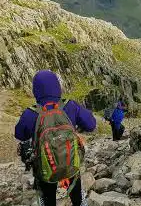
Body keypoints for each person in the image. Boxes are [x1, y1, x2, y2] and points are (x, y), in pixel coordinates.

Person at [15, 70, 96, 206]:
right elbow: (91, 125)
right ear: (57, 86)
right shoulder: (70, 105)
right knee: (77, 195)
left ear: (36, 90)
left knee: (47, 197)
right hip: (71, 163)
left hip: (45, 169)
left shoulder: (31, 113)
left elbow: (19, 134)